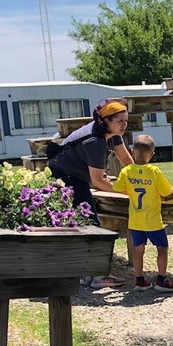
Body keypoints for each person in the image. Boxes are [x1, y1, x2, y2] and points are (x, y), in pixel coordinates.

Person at [46, 99, 133, 288]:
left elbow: (127, 160)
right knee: (90, 223)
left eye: (126, 120)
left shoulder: (113, 134)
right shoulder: (96, 142)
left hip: (75, 175)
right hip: (65, 175)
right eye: (120, 121)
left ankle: (85, 272)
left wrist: (141, 180)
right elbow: (98, 181)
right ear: (107, 121)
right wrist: (128, 191)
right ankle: (96, 276)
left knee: (83, 222)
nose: (124, 125)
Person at [113, 134, 173, 292]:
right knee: (162, 248)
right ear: (151, 154)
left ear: (132, 152)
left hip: (135, 220)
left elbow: (117, 187)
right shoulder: (154, 171)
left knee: (138, 249)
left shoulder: (126, 171)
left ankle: (139, 280)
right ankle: (162, 279)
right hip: (152, 220)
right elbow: (166, 192)